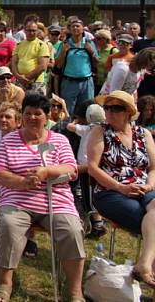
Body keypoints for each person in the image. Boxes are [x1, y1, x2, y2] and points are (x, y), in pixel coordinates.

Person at [0, 92, 85, 302]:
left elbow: (71, 169)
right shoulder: (9, 140)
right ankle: (4, 283)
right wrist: (22, 182)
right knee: (8, 225)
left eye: (37, 114)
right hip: (17, 199)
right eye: (27, 113)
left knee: (72, 231)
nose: (32, 118)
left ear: (47, 116)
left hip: (57, 200)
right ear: (22, 115)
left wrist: (46, 172)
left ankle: (74, 290)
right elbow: (0, 172)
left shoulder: (60, 140)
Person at [86, 90, 155, 287]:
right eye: (107, 108)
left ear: (128, 112)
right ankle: (146, 267)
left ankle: (144, 264)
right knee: (148, 222)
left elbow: (153, 168)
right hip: (110, 190)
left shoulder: (144, 134)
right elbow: (92, 167)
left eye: (116, 108)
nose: (109, 112)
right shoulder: (100, 131)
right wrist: (120, 187)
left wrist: (149, 185)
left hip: (144, 186)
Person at [55, 18, 97, 115]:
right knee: (68, 111)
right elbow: (58, 65)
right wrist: (63, 53)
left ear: (83, 29)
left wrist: (91, 52)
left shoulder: (89, 43)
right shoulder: (64, 44)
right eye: (72, 26)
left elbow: (96, 62)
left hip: (86, 82)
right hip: (69, 82)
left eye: (77, 26)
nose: (75, 28)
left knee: (87, 110)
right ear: (69, 29)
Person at [11, 19, 50, 95]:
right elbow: (13, 63)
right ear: (24, 30)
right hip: (20, 82)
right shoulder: (19, 45)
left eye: (34, 30)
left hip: (36, 82)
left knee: (37, 106)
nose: (31, 33)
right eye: (29, 30)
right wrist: (19, 77)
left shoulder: (42, 45)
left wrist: (26, 78)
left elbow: (43, 66)